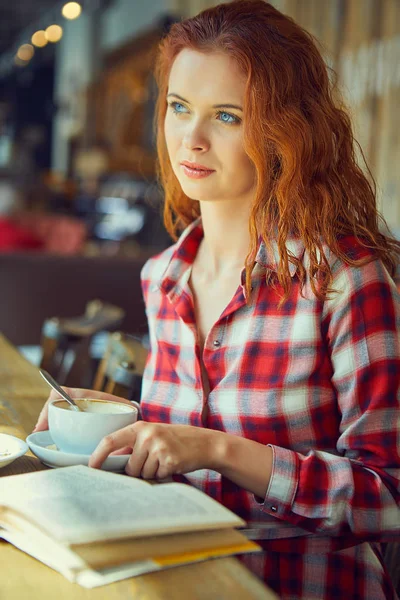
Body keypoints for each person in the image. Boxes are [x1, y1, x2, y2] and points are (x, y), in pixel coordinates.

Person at [34, 1, 400, 598]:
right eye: (180, 107)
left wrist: (220, 451)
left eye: (226, 116)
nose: (191, 139)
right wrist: (120, 422)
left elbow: (387, 498)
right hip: (174, 582)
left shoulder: (345, 281)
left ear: (286, 129)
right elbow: (179, 451)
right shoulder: (164, 277)